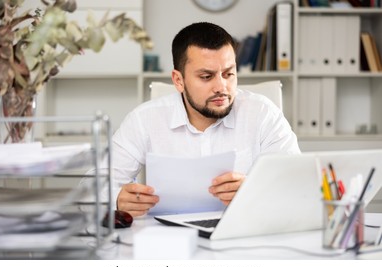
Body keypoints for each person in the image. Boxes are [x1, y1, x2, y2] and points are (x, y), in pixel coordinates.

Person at [112, 22, 300, 217]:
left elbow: (296, 183)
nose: (221, 86)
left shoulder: (263, 113)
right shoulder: (144, 120)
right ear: (178, 80)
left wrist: (255, 189)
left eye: (229, 74)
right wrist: (117, 198)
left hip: (243, 236)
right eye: (206, 76)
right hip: (169, 239)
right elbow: (94, 184)